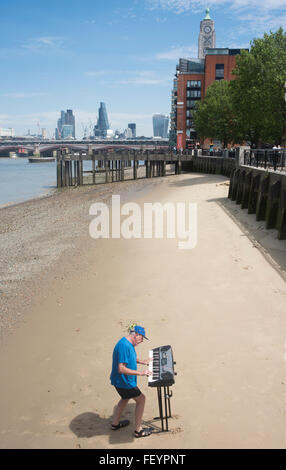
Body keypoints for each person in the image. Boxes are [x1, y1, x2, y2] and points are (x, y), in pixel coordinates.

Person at [110, 325, 152, 438]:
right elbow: (121, 368)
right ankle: (138, 430)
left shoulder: (128, 343)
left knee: (125, 398)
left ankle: (115, 424)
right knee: (141, 399)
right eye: (142, 338)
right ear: (136, 335)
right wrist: (141, 373)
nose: (142, 341)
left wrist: (143, 361)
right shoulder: (124, 346)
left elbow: (131, 357)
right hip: (125, 383)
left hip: (120, 381)